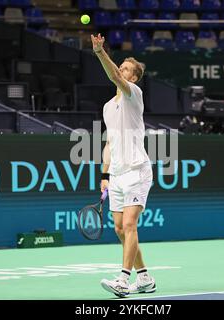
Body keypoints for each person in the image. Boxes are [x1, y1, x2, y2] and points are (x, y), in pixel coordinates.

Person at [91, 33, 156, 297]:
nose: (121, 70)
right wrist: (105, 174)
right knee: (120, 229)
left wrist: (99, 52)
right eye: (122, 66)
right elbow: (110, 144)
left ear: (133, 78)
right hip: (116, 174)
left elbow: (113, 76)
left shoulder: (134, 94)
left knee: (130, 225)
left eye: (127, 69)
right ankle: (145, 278)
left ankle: (123, 279)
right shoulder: (108, 106)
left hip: (137, 172)